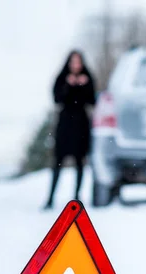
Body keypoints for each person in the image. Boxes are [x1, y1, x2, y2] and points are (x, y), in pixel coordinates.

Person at [44, 49, 96, 209]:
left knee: (80, 162)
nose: (76, 65)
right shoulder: (62, 78)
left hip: (81, 125)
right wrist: (68, 84)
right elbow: (57, 99)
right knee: (58, 161)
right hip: (65, 124)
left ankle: (76, 198)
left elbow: (93, 101)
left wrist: (84, 85)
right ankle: (50, 198)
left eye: (78, 62)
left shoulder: (88, 78)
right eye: (73, 62)